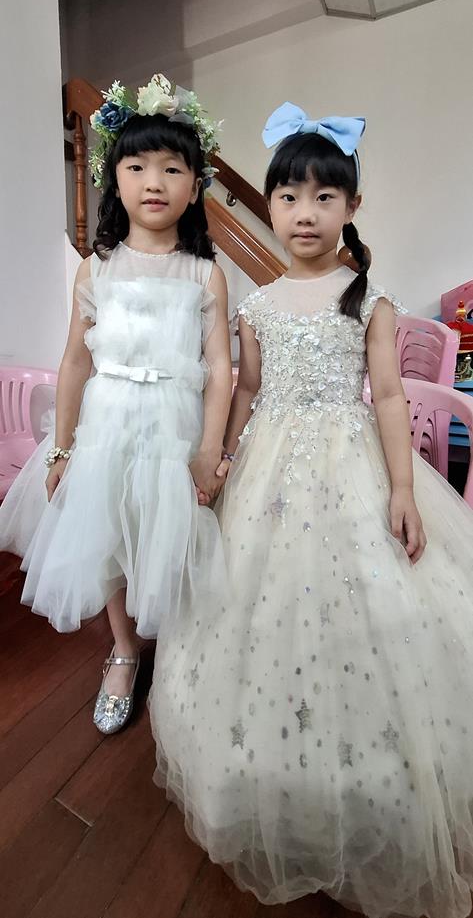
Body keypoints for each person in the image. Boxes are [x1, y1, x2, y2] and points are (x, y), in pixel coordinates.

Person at [150, 102, 473, 918]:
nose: (304, 212)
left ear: (350, 207)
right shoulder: (256, 305)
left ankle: (375, 780)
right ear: (269, 204)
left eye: (323, 197)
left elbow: (389, 397)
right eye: (289, 196)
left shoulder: (369, 298)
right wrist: (221, 457)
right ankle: (276, 770)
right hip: (268, 466)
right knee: (255, 608)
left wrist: (402, 488)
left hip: (350, 462)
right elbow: (247, 389)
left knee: (375, 609)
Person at [0, 73, 232, 735]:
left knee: (170, 538)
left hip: (175, 429)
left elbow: (220, 368)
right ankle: (125, 650)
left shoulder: (204, 272)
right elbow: (76, 361)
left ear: (194, 186)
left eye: (171, 168)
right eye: (137, 166)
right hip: (106, 428)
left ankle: (180, 654)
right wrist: (63, 447)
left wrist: (209, 449)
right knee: (106, 537)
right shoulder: (96, 267)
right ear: (115, 178)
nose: (153, 181)